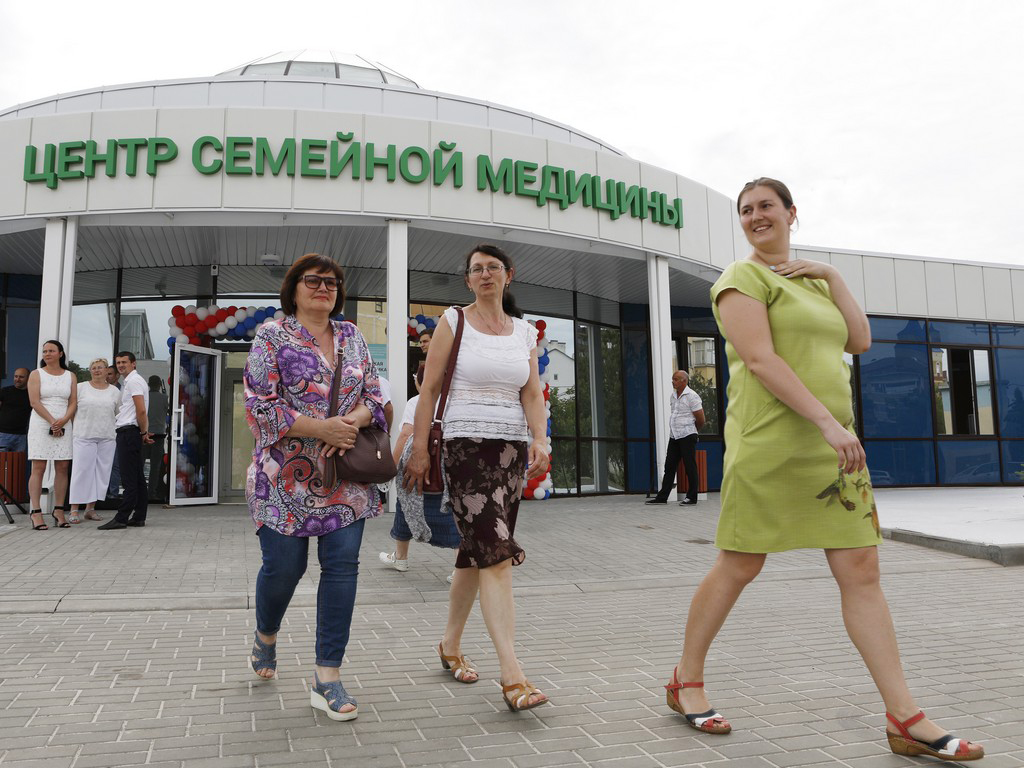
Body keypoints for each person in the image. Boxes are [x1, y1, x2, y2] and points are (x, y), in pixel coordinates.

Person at [666, 178, 984, 762]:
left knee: (862, 570)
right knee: (739, 564)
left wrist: (831, 276)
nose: (756, 217)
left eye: (767, 207)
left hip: (835, 446)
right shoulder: (741, 279)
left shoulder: (811, 283)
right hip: (774, 441)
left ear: (791, 213)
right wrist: (827, 423)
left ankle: (904, 716)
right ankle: (686, 680)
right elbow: (760, 361)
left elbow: (859, 340)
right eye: (746, 210)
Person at [404, 244, 550, 712]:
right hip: (464, 448)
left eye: (492, 268)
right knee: (497, 556)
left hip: (509, 451)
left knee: (476, 551)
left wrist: (540, 439)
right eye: (476, 270)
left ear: (509, 275)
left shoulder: (524, 332)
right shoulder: (453, 321)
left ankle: (449, 644)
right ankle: (513, 674)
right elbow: (428, 391)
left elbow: (531, 391)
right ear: (467, 280)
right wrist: (421, 449)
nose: (485, 275)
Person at [243, 253, 386, 722]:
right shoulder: (271, 335)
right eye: (314, 280)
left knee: (342, 567)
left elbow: (374, 396)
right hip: (284, 478)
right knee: (284, 569)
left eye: (332, 282)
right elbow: (259, 406)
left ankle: (327, 677)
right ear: (294, 288)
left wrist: (349, 422)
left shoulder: (353, 336)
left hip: (345, 479)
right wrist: (320, 428)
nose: (324, 288)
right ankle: (266, 636)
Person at [380, 363, 460, 575]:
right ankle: (459, 569)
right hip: (449, 469)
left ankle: (401, 558)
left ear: (422, 381)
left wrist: (391, 468)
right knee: (452, 513)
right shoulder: (456, 402)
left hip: (418, 466)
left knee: (407, 506)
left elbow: (407, 434)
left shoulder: (417, 402)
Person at [97, 352, 152, 530]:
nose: (120, 365)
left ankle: (121, 518)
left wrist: (143, 431)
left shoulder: (134, 382)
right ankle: (139, 517)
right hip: (131, 432)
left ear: (133, 364)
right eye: (118, 362)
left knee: (129, 479)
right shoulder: (132, 381)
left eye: (124, 362)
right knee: (137, 479)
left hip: (129, 432)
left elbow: (141, 410)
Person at [26, 340, 76, 530]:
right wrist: (52, 421)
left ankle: (58, 510)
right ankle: (36, 512)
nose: (47, 354)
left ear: (60, 353)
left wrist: (63, 421)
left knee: (62, 465)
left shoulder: (70, 376)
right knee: (38, 466)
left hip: (64, 421)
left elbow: (73, 402)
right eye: (45, 351)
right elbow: (34, 401)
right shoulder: (36, 374)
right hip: (41, 421)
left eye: (51, 350)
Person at [68, 358, 120, 523]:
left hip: (107, 437)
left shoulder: (115, 391)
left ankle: (90, 509)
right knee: (81, 472)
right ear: (90, 370)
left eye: (100, 368)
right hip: (84, 436)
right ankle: (74, 509)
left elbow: (119, 413)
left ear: (107, 371)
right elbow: (71, 410)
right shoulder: (80, 388)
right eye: (94, 368)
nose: (97, 370)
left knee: (101, 473)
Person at [645, 370, 705, 506]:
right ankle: (662, 497)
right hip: (674, 436)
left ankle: (692, 497)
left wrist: (693, 431)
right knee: (669, 466)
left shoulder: (692, 396)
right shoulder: (673, 396)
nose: (673, 381)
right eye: (673, 379)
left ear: (684, 381)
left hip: (687, 435)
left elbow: (701, 419)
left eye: (676, 379)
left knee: (690, 466)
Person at [146, 375, 168, 502]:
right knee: (155, 466)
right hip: (159, 435)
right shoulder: (164, 398)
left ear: (149, 384)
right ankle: (152, 492)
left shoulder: (145, 398)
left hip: (145, 434)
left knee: (140, 463)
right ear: (160, 385)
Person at [0, 367, 32, 454]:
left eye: (21, 377)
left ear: (28, 378)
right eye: (16, 376)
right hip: (3, 434)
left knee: (18, 464)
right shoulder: (5, 391)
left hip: (21, 436)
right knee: (2, 463)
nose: (17, 379)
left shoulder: (31, 394)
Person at [103, 364, 122, 502]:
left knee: (115, 464)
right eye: (106, 373)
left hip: (117, 432)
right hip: (102, 431)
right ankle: (101, 493)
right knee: (102, 464)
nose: (107, 376)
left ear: (117, 376)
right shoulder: (102, 390)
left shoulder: (123, 391)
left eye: (110, 374)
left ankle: (113, 494)